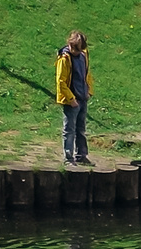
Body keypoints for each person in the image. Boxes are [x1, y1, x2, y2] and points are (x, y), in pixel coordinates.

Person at [55, 31, 92, 165]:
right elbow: (61, 82)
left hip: (83, 98)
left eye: (78, 49)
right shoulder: (64, 58)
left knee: (81, 129)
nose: (75, 51)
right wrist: (71, 99)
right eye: (73, 48)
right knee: (69, 130)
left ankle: (81, 155)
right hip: (72, 101)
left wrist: (88, 90)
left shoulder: (84, 55)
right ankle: (68, 158)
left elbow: (86, 74)